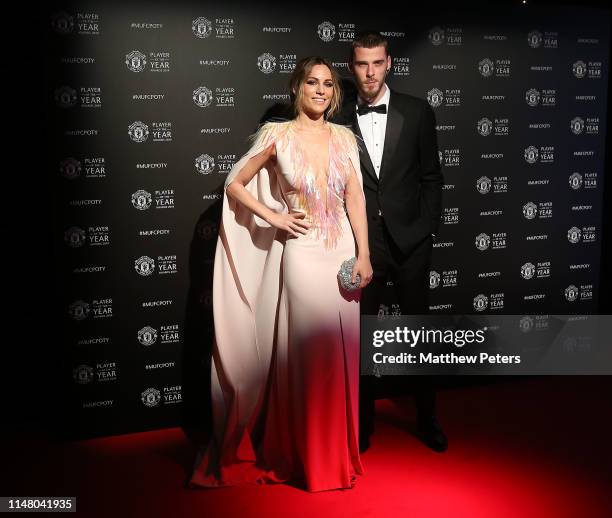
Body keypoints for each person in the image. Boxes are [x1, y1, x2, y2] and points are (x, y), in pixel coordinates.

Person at [188, 56, 373, 492]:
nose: (322, 90)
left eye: (329, 84)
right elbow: (234, 183)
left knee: (340, 354)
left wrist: (364, 254)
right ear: (297, 87)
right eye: (313, 82)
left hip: (342, 254)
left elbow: (357, 203)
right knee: (310, 357)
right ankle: (304, 457)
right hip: (302, 254)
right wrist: (273, 214)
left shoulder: (346, 139)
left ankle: (336, 458)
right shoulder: (278, 136)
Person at [334, 32, 447, 453]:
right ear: (352, 66)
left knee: (422, 336)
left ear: (389, 63)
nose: (369, 72)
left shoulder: (418, 112)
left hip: (413, 243)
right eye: (362, 64)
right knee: (362, 340)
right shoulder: (339, 118)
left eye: (377, 63)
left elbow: (432, 177)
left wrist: (428, 229)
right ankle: (362, 427)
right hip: (365, 247)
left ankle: (427, 418)